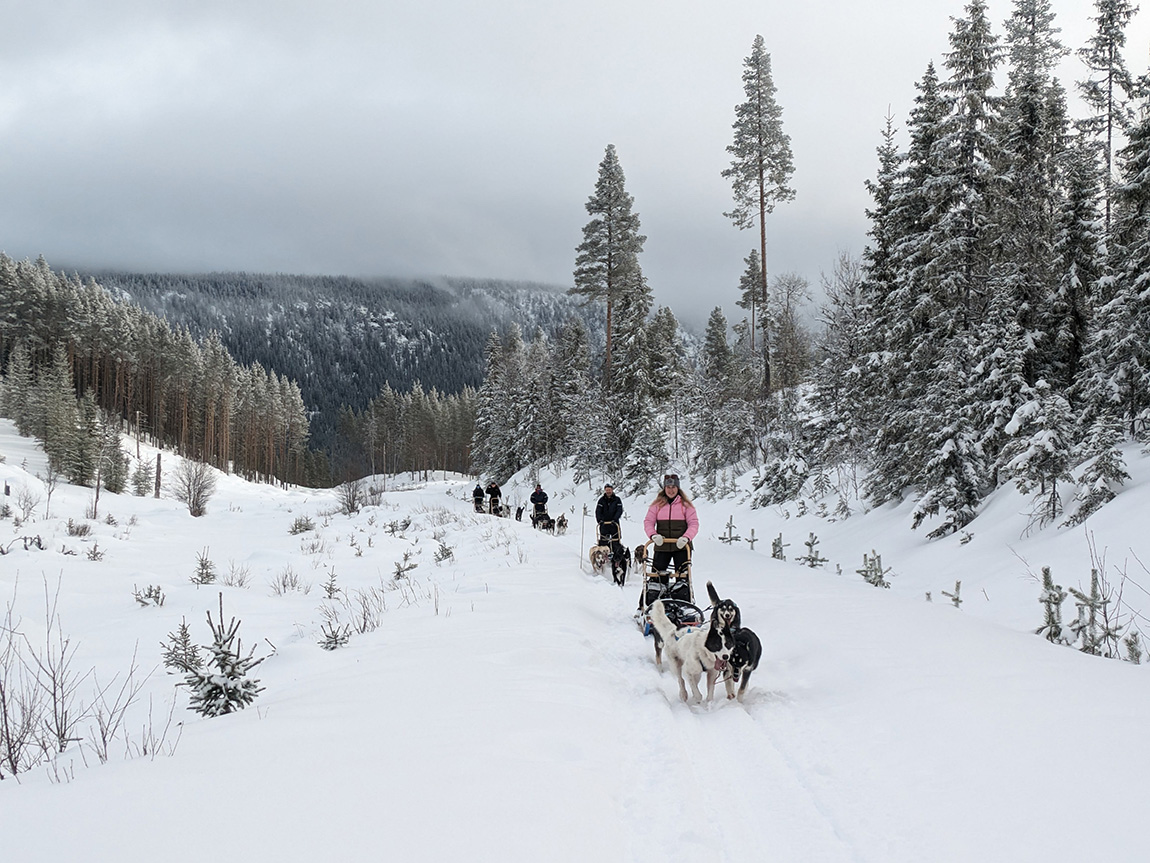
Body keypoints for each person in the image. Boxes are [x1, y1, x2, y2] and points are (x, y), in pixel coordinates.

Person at [643, 473, 698, 575]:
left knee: (682, 577)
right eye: (668, 487)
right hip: (662, 545)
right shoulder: (656, 505)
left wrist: (686, 537)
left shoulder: (686, 505)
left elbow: (693, 524)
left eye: (673, 487)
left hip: (681, 546)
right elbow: (648, 522)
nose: (671, 490)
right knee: (657, 576)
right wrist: (653, 535)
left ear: (678, 488)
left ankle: (682, 589)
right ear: (664, 488)